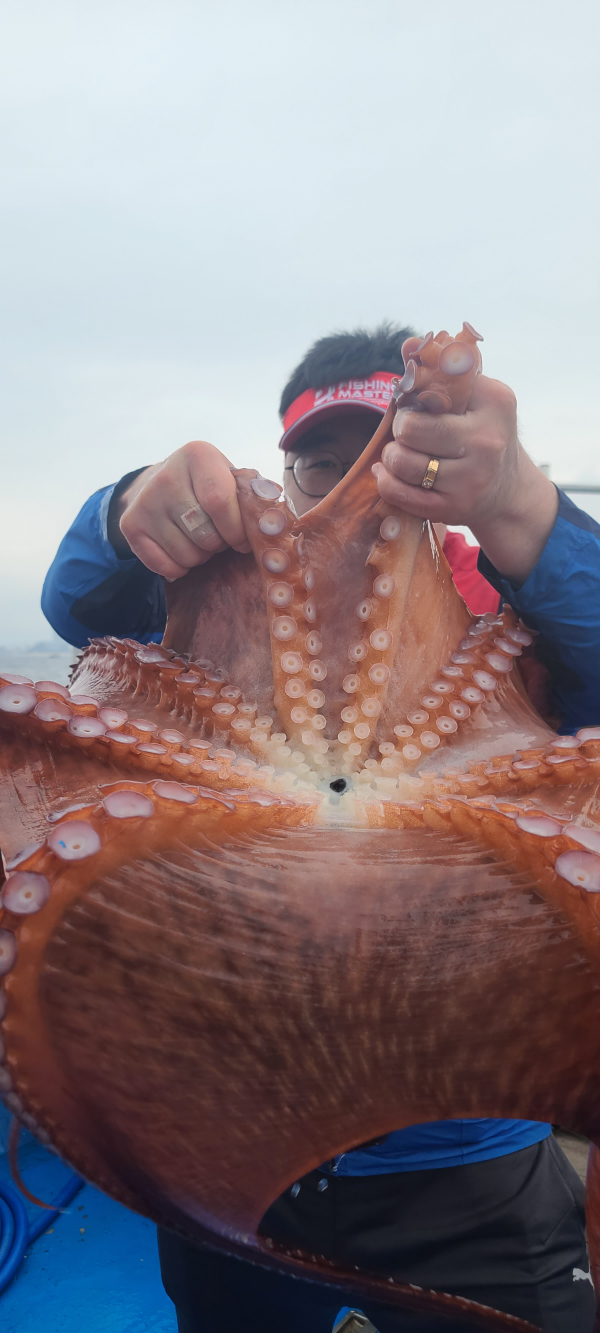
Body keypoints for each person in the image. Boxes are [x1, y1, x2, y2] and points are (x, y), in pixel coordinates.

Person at [42, 324, 600, 1333]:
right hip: (229, 1148)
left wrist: (525, 507)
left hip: (466, 1160)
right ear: (285, 471)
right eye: (321, 465)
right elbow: (81, 607)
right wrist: (125, 511)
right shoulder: (221, 614)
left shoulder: (523, 614)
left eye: (407, 466)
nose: (363, 491)